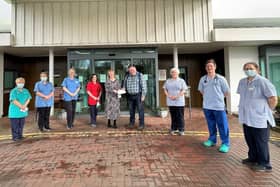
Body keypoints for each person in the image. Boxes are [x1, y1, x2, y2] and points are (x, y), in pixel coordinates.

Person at [237, 62, 278, 172]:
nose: (248, 70)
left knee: (261, 142)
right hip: (247, 117)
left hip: (260, 118)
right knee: (250, 140)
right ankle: (253, 158)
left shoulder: (263, 82)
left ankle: (265, 163)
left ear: (257, 70)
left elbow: (273, 98)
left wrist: (268, 110)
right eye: (246, 68)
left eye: (251, 68)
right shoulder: (242, 82)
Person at [198, 59, 230, 153]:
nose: (209, 68)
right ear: (205, 68)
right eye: (207, 66)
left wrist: (218, 98)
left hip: (219, 107)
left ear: (215, 67)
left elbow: (226, 92)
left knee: (222, 125)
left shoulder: (221, 79)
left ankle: (225, 143)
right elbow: (201, 91)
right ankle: (212, 140)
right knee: (211, 124)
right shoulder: (203, 79)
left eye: (211, 66)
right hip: (207, 106)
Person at [163, 68, 188, 136]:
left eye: (175, 72)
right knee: (173, 116)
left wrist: (177, 96)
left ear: (178, 73)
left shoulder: (181, 81)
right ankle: (173, 128)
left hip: (179, 101)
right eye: (172, 72)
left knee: (180, 116)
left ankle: (181, 129)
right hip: (170, 101)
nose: (174, 73)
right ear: (171, 73)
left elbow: (184, 90)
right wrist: (169, 95)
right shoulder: (168, 81)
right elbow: (165, 89)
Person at [124, 64, 147, 130]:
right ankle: (131, 123)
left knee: (140, 110)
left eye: (133, 69)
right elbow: (124, 86)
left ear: (135, 69)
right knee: (131, 110)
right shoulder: (127, 76)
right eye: (130, 70)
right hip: (130, 96)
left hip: (138, 96)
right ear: (128, 70)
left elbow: (144, 87)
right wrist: (121, 90)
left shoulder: (140, 75)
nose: (132, 71)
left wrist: (143, 96)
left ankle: (141, 124)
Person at [8, 77, 32, 141]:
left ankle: (20, 135)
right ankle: (15, 137)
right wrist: (21, 106)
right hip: (15, 112)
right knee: (15, 125)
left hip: (22, 111)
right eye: (19, 82)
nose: (21, 84)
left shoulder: (26, 90)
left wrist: (25, 105)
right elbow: (14, 100)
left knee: (21, 125)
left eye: (22, 82)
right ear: (16, 83)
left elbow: (28, 98)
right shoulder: (13, 91)